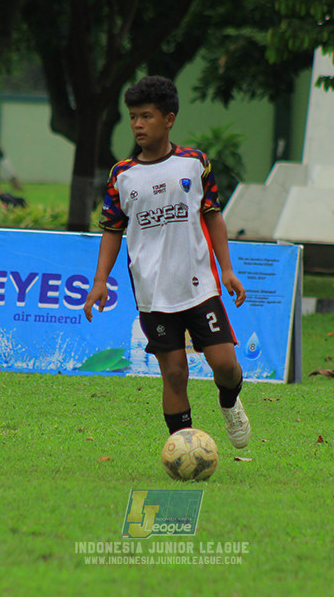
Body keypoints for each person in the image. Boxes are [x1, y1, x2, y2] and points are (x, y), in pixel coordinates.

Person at [83, 76, 251, 449]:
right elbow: (112, 231)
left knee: (224, 364)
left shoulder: (194, 164)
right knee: (174, 374)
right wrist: (99, 282)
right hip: (153, 293)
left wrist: (227, 269)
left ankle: (229, 402)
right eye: (133, 117)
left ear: (169, 118)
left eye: (146, 116)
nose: (138, 125)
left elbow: (213, 216)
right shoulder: (122, 176)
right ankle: (183, 449)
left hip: (198, 285)